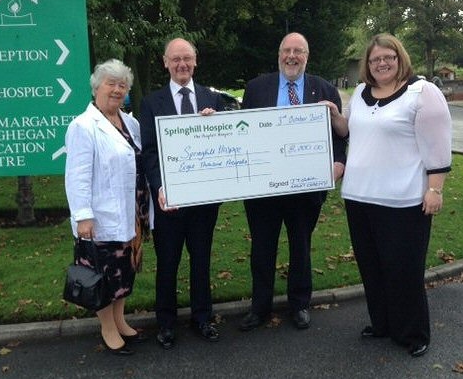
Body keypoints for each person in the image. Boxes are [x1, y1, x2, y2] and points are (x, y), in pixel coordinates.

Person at [326, 33, 452, 357]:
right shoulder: (361, 92)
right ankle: (382, 324)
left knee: (404, 269)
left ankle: (413, 333)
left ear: (400, 58)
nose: (382, 63)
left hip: (403, 200)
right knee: (372, 267)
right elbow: (349, 130)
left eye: (388, 57)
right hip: (359, 197)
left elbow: (438, 148)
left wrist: (435, 189)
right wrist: (335, 116)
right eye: (375, 59)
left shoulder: (422, 93)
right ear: (368, 65)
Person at [239, 32, 347, 332]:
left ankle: (299, 304)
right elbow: (243, 133)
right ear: (278, 55)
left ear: (306, 56)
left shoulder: (323, 89)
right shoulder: (256, 88)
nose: (292, 56)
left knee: (301, 245)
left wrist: (339, 163)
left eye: (298, 51)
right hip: (263, 189)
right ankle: (259, 307)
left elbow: (338, 136)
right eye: (287, 50)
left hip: (306, 189)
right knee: (262, 247)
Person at [140, 37, 225, 349]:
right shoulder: (151, 103)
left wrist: (216, 124)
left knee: (201, 259)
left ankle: (202, 318)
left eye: (187, 58)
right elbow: (149, 153)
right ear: (165, 62)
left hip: (204, 201)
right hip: (169, 201)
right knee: (168, 262)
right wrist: (160, 187)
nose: (182, 65)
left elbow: (223, 145)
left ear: (196, 60)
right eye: (175, 59)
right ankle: (166, 323)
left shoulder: (211, 99)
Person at [65, 59, 149, 356]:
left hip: (131, 213)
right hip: (101, 217)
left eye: (122, 85)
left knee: (124, 272)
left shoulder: (131, 122)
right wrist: (83, 216)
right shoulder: (84, 126)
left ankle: (120, 319)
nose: (117, 90)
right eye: (110, 84)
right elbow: (77, 175)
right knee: (104, 274)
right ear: (96, 87)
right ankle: (108, 328)